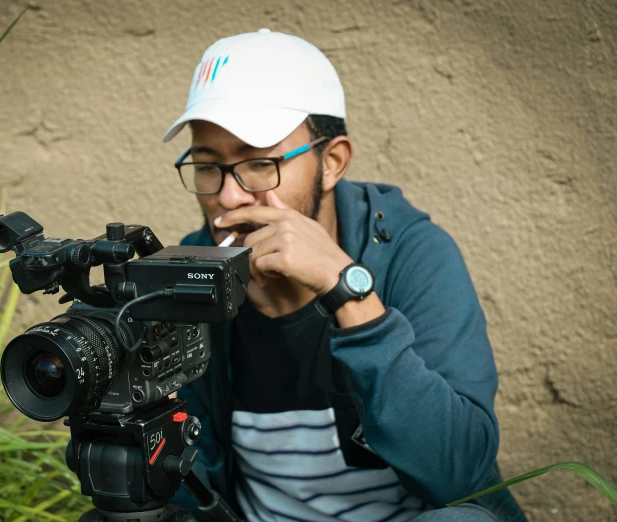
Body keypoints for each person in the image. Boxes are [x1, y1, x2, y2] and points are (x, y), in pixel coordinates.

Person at [162, 29, 527, 522]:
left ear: (331, 163)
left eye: (258, 163)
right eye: (208, 168)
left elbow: (458, 470)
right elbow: (185, 484)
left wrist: (347, 290)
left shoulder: (411, 255)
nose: (229, 198)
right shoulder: (192, 276)